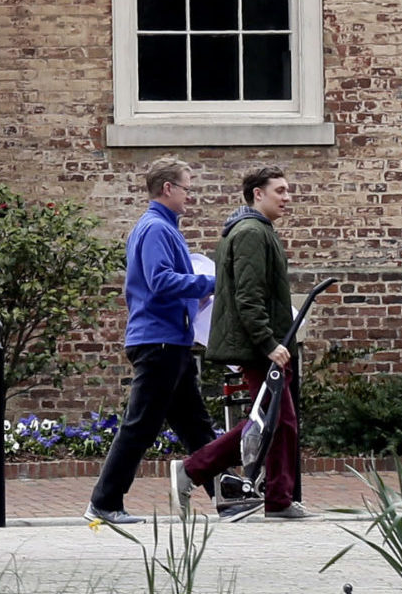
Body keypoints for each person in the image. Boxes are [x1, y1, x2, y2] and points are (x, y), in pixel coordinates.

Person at [84, 158, 218, 527]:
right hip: (159, 341)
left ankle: (227, 496)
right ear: (168, 188)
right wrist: (210, 284)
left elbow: (162, 283)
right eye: (187, 188)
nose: (191, 197)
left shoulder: (162, 228)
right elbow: (161, 281)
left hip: (169, 340)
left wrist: (197, 296)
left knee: (196, 428)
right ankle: (104, 502)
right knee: (141, 425)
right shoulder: (157, 228)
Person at [183, 164, 303, 520]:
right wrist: (269, 343)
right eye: (279, 190)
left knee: (272, 421)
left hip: (265, 345)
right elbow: (248, 298)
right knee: (276, 422)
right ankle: (196, 470)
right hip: (260, 347)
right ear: (257, 195)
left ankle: (278, 498)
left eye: (287, 190)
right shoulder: (251, 233)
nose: (287, 197)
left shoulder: (257, 230)